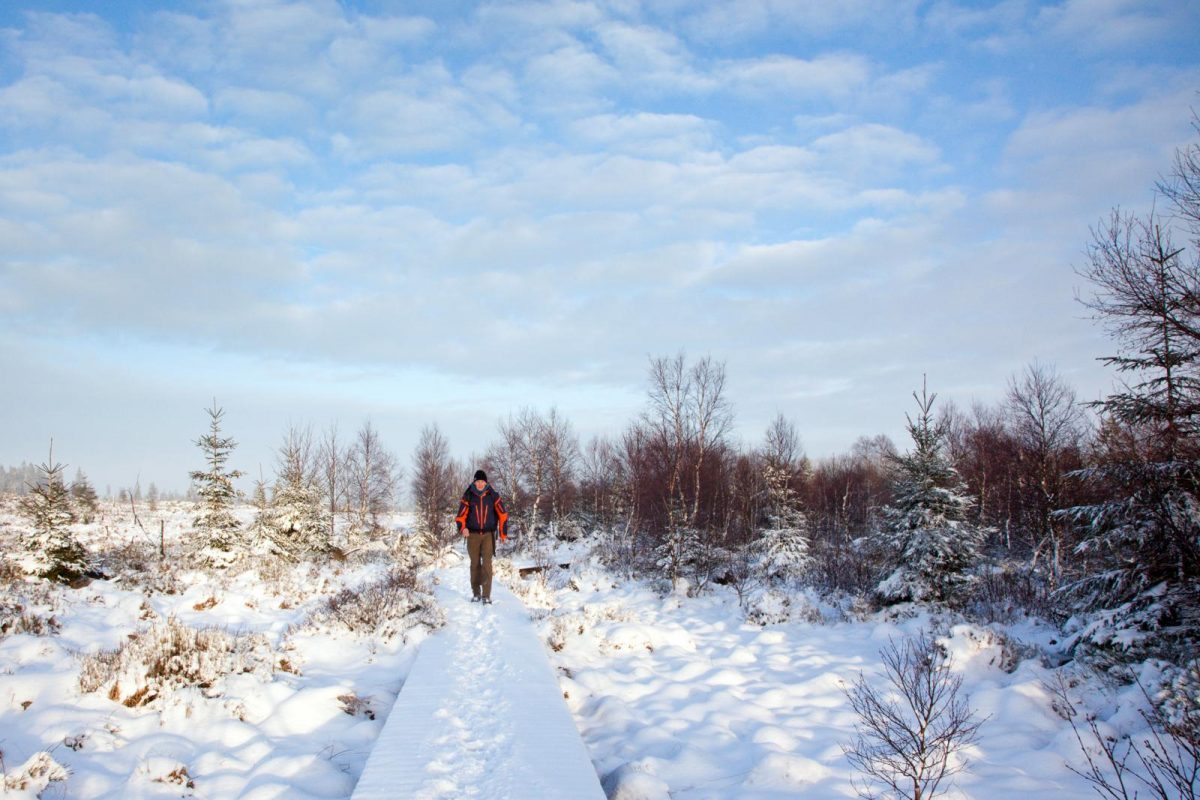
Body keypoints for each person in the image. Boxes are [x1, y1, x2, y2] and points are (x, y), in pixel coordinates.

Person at [455, 469, 508, 604]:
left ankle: (486, 595)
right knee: (475, 564)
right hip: (472, 535)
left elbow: (503, 515)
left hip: (488, 535)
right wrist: (463, 528)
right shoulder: (468, 495)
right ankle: (476, 593)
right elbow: (460, 516)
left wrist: (503, 533)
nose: (479, 484)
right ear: (474, 482)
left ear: (486, 482)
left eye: (482, 482)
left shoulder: (493, 495)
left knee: (487, 564)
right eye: (477, 481)